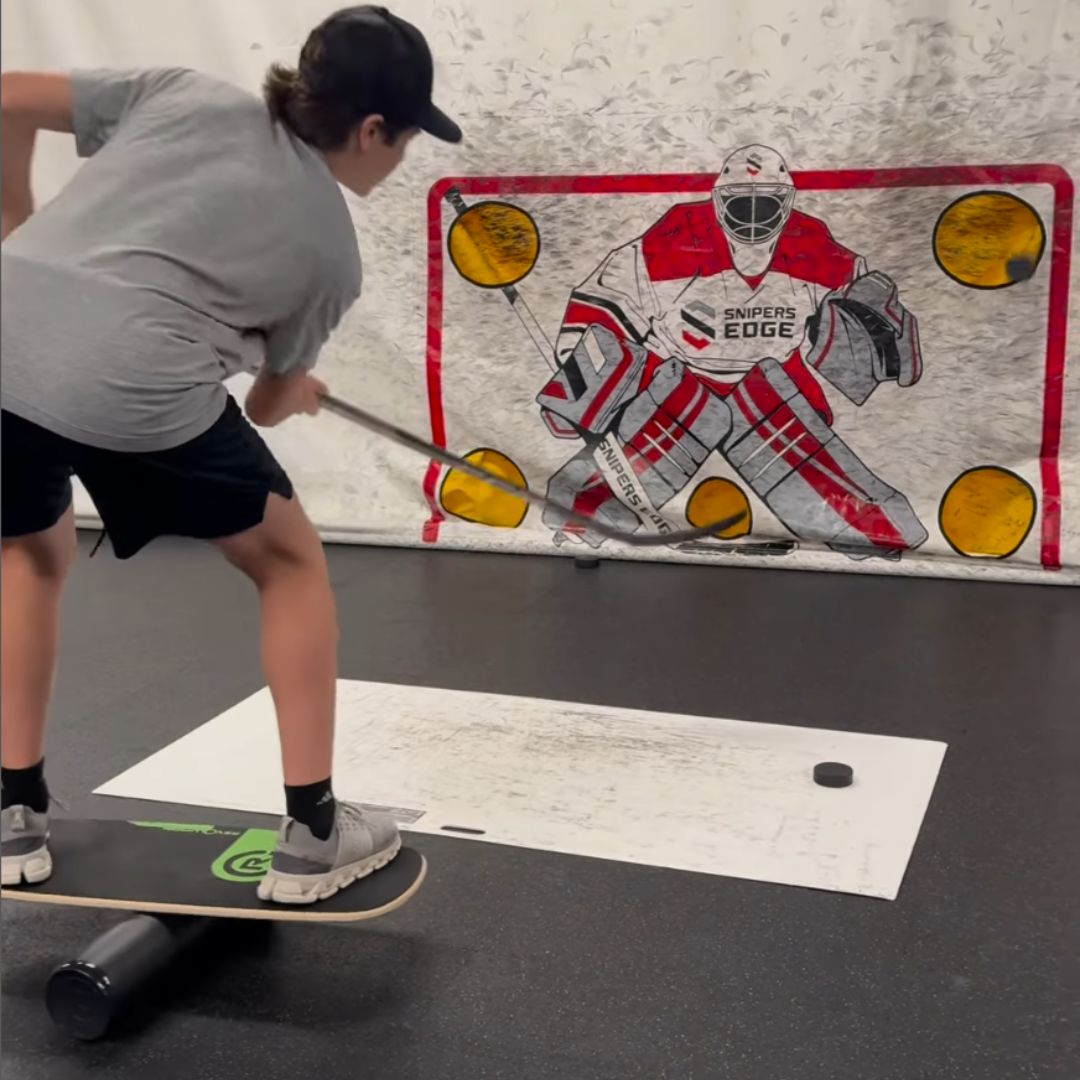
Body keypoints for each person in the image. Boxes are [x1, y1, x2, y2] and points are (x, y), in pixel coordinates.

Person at [0, 5, 461, 904]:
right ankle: (316, 831)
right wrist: (297, 384)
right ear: (371, 130)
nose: (401, 158)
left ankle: (12, 813)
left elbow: (6, 96)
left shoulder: (184, 94)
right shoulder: (331, 254)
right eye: (405, 140)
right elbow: (266, 405)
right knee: (288, 561)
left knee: (27, 549)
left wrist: (13, 220)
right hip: (130, 385)